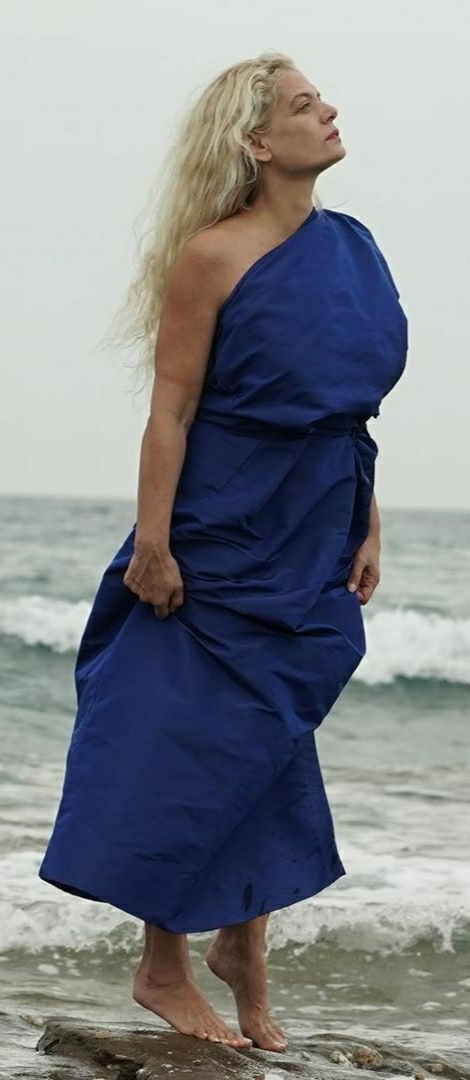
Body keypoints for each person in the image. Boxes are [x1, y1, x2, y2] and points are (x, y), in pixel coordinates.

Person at [38, 50, 408, 1053]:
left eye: (321, 100)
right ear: (256, 142)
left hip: (317, 513)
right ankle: (163, 964)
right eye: (303, 105)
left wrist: (366, 518)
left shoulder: (355, 246)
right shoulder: (213, 255)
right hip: (221, 520)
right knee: (185, 735)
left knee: (269, 732)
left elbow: (345, 408)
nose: (327, 111)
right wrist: (154, 543)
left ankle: (242, 946)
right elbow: (171, 408)